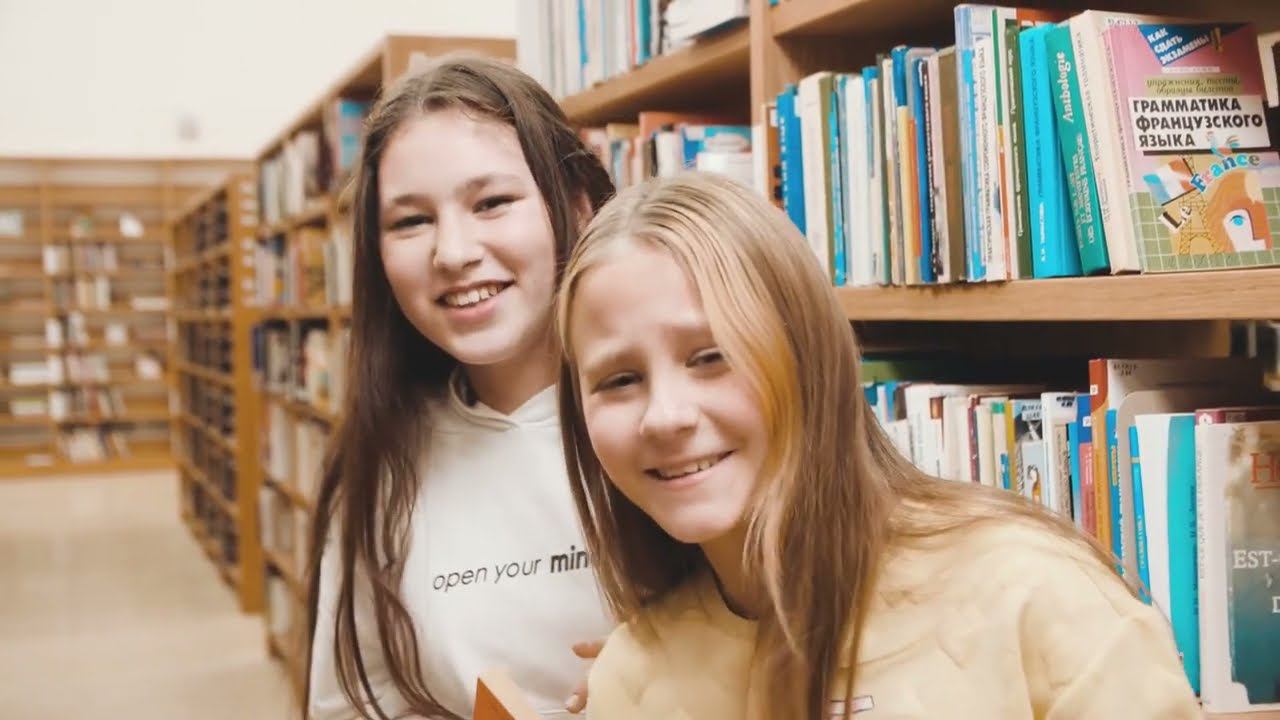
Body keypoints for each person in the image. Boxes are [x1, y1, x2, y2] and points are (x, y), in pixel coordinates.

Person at [553, 172, 1201, 719]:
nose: (665, 416)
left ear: (807, 358)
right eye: (619, 380)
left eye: (711, 356)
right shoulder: (631, 679)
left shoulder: (1032, 593)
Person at [304, 53, 616, 720]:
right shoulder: (381, 461)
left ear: (577, 204)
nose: (452, 252)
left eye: (492, 203)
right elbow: (353, 702)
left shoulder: (672, 423)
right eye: (410, 221)